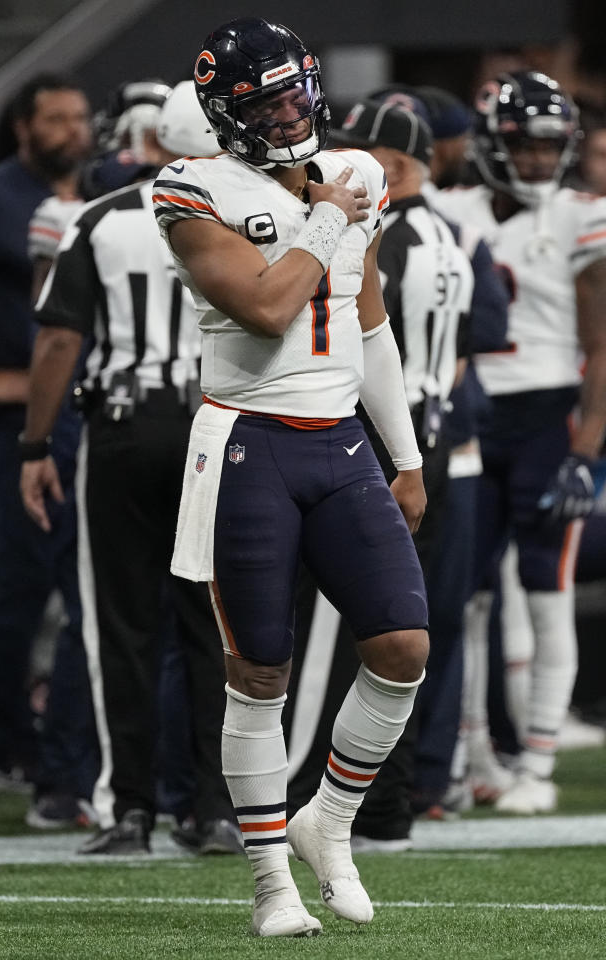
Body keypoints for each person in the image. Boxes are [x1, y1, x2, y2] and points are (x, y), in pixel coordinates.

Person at [153, 17, 428, 937]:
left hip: (340, 440)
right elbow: (271, 308)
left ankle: (330, 825)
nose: (292, 110)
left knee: (402, 648)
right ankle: (271, 882)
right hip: (246, 443)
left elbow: (371, 316)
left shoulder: (356, 176)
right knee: (257, 670)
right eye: (269, 100)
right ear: (229, 116)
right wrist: (324, 215)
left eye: (298, 89)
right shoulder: (191, 188)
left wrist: (408, 454)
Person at [20, 81, 242, 856]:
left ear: (149, 140)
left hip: (122, 428)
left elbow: (56, 343)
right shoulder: (250, 213)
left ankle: (132, 809)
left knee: (121, 627)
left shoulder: (102, 217)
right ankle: (216, 809)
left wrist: (34, 444)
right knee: (211, 627)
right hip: (216, 427)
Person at [435, 71, 606, 813]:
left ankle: (536, 762)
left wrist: (586, 449)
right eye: (524, 146)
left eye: (550, 147)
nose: (539, 161)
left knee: (546, 586)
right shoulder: (452, 209)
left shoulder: (581, 217)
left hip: (546, 415)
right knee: (466, 595)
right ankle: (476, 755)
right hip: (470, 414)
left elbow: (600, 345)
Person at [330, 99, 475, 837]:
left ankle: (362, 801)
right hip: (435, 440)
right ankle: (396, 798)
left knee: (359, 626)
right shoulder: (448, 236)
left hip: (387, 438)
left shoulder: (388, 238)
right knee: (408, 624)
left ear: (391, 163)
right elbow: (459, 357)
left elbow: (360, 335)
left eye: (358, 151)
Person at [0, 73, 93, 793]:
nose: (73, 130)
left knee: (75, 588)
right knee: (20, 588)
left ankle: (57, 739)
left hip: (80, 411)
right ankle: (8, 744)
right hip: (16, 420)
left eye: (79, 116)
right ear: (24, 128)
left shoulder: (95, 188)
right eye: (56, 119)